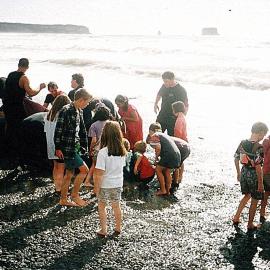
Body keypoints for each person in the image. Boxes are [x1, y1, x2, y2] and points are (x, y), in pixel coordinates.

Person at [54, 88, 92, 206]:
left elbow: (82, 131)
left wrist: (84, 146)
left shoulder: (79, 111)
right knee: (84, 170)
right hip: (67, 147)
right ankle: (75, 195)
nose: (88, 104)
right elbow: (58, 130)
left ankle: (63, 199)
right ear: (81, 100)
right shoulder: (65, 110)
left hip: (75, 146)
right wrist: (58, 147)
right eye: (87, 102)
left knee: (69, 174)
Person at [3, 58, 46, 157]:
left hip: (7, 105)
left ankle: (7, 149)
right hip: (17, 107)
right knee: (20, 128)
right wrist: (40, 87)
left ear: (18, 65)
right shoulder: (24, 78)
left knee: (9, 126)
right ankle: (19, 151)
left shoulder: (10, 74)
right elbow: (31, 92)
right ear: (27, 67)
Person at [93, 121, 127, 237]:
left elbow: (99, 173)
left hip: (105, 184)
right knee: (116, 206)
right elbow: (121, 168)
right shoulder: (122, 151)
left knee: (102, 206)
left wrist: (96, 188)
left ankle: (103, 230)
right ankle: (118, 227)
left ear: (105, 134)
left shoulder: (103, 153)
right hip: (118, 183)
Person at [233, 122, 268, 231]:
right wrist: (261, 183)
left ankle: (236, 216)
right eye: (264, 135)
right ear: (261, 132)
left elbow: (236, 158)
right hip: (253, 174)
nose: (263, 138)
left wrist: (238, 173)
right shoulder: (259, 147)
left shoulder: (242, 143)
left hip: (244, 172)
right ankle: (250, 224)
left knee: (246, 195)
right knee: (255, 199)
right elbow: (258, 167)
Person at [44, 95, 71, 193]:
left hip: (50, 144)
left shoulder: (49, 114)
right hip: (59, 144)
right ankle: (60, 189)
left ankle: (57, 186)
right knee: (61, 167)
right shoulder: (62, 115)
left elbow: (45, 131)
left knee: (56, 166)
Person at [84, 103, 111, 188]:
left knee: (94, 166)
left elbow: (93, 140)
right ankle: (102, 183)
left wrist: (90, 150)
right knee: (105, 167)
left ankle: (87, 181)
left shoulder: (94, 125)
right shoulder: (110, 124)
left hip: (97, 149)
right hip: (107, 149)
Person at [154, 71, 188, 136]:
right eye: (164, 81)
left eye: (166, 81)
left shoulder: (181, 90)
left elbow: (186, 105)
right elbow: (159, 94)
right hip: (162, 115)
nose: (165, 83)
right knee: (156, 135)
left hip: (173, 118)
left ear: (172, 79)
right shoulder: (164, 86)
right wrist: (155, 103)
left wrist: (182, 117)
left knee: (171, 139)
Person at [260, 134, 270, 223]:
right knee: (266, 193)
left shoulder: (266, 140)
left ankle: (262, 213)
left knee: (266, 193)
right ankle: (262, 213)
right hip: (267, 171)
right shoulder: (267, 141)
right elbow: (261, 156)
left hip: (266, 170)